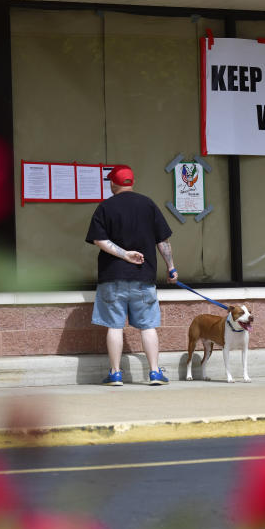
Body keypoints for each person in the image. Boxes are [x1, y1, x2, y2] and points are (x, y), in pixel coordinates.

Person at [85, 164, 178, 386]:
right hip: (143, 277)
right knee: (148, 326)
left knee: (115, 326)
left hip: (112, 277)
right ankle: (155, 373)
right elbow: (163, 241)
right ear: (132, 182)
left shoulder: (105, 207)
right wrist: (171, 267)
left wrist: (124, 254)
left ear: (113, 183)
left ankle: (116, 374)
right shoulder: (148, 205)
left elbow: (99, 240)